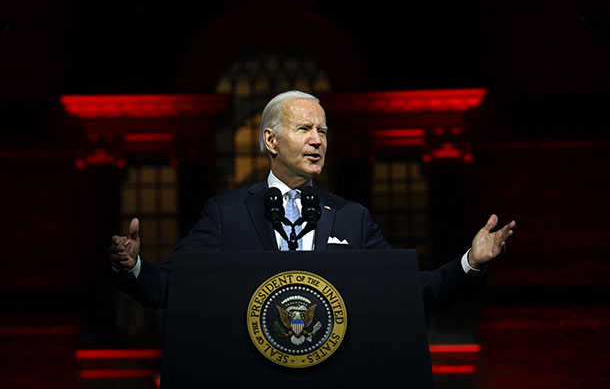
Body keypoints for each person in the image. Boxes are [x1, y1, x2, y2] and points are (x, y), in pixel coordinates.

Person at [109, 90, 516, 310]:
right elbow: (173, 287)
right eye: (304, 128)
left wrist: (470, 263)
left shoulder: (351, 219)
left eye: (323, 131)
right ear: (270, 140)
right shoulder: (226, 214)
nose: (318, 140)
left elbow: (406, 290)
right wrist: (134, 267)